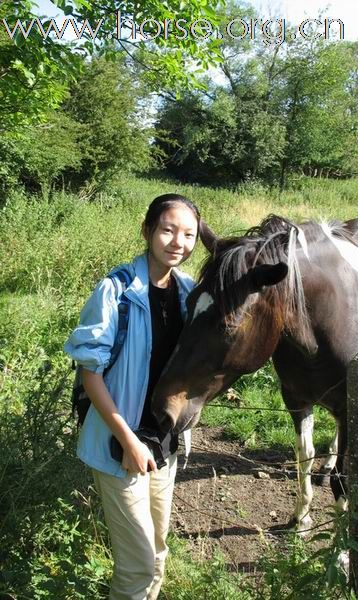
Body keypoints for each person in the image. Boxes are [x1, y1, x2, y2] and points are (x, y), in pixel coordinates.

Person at [64, 193, 200, 600]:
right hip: (118, 443)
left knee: (157, 552)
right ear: (147, 231)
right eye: (168, 229)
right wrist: (128, 441)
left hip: (163, 443)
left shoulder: (189, 293)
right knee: (137, 566)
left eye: (189, 234)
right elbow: (91, 372)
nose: (178, 241)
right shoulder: (117, 290)